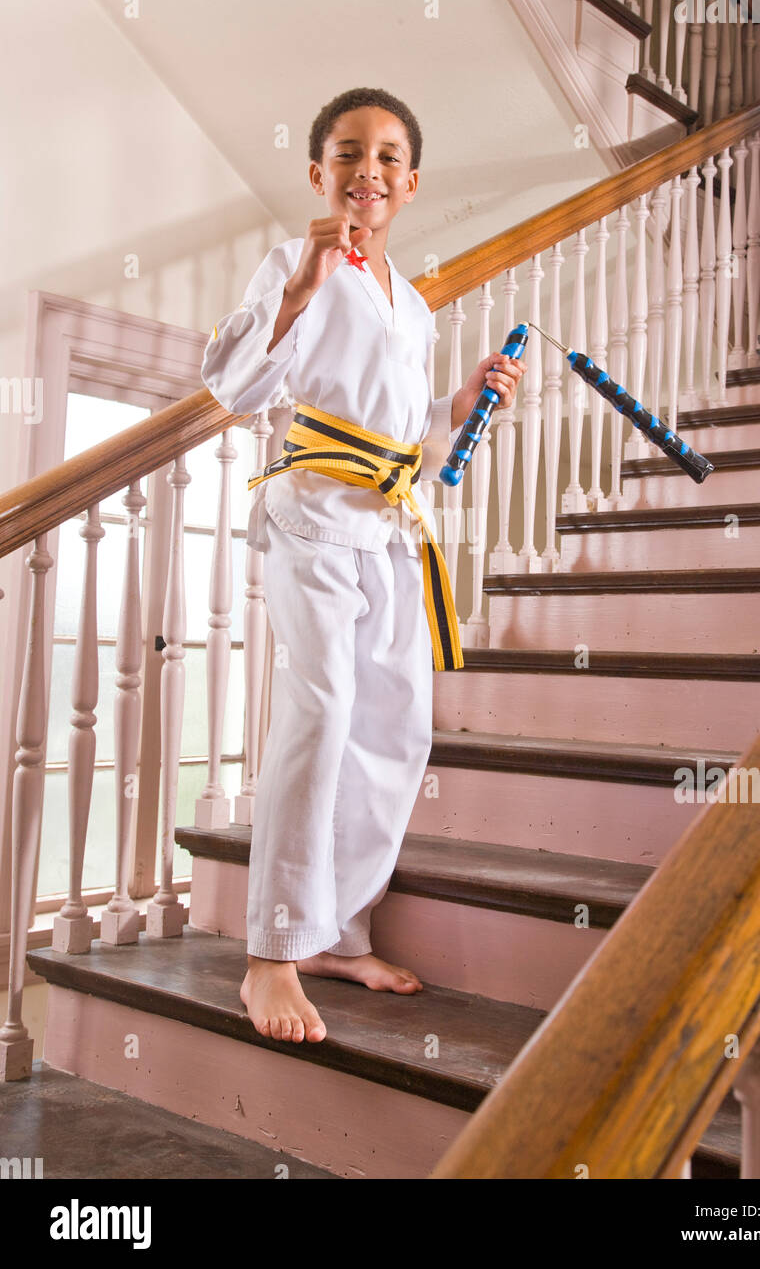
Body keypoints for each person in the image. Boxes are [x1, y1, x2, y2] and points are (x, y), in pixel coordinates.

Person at [201, 87, 526, 1044]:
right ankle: (269, 954)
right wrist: (298, 291)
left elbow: (409, 443)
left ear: (410, 183)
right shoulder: (293, 267)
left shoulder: (415, 307)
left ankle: (339, 930)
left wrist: (462, 402)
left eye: (387, 157)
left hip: (387, 531)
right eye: (348, 154)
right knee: (322, 712)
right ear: (319, 174)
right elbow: (234, 385)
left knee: (396, 729)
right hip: (308, 523)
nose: (368, 171)